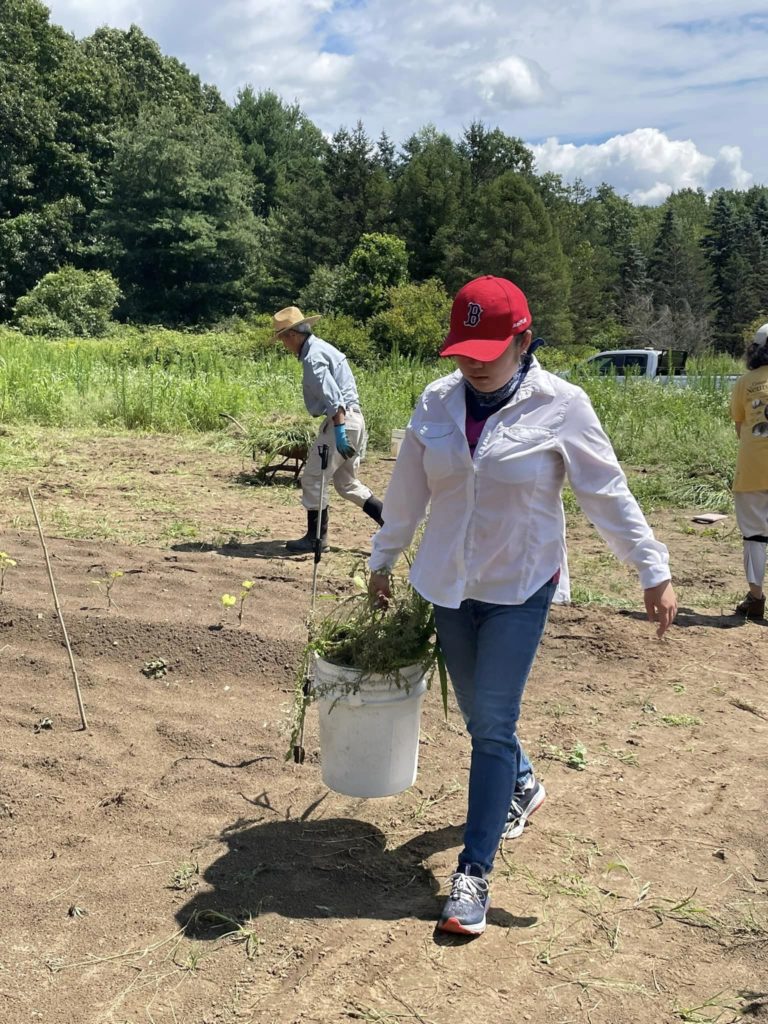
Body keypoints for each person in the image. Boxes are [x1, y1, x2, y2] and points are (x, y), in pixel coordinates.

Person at [368, 275, 678, 937]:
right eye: (464, 352)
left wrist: (651, 568)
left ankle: (473, 874)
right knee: (481, 715)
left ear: (524, 340)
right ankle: (525, 782)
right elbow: (407, 492)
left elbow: (607, 493)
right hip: (449, 583)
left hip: (520, 583)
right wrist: (383, 558)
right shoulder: (436, 402)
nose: (475, 365)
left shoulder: (562, 405)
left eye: (488, 351)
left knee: (490, 724)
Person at [272, 306, 384, 553]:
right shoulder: (323, 348)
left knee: (313, 478)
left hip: (341, 421)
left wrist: (340, 432)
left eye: (283, 339)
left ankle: (316, 539)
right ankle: (390, 522)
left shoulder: (313, 358)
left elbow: (333, 398)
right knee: (346, 483)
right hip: (355, 419)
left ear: (292, 335)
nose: (284, 345)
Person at [730, 322, 768, 619]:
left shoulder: (745, 382)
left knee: (755, 535)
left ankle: (755, 598)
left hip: (753, 468)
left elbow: (740, 428)